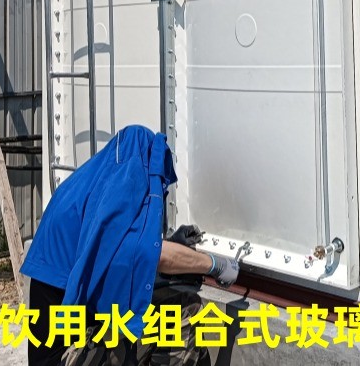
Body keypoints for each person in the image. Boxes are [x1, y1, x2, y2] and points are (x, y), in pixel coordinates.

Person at [22, 125, 239, 365]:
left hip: (60, 347)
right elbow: (154, 256)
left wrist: (166, 243)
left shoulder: (77, 195)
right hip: (67, 357)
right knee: (182, 310)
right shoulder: (104, 206)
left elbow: (108, 248)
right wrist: (216, 264)